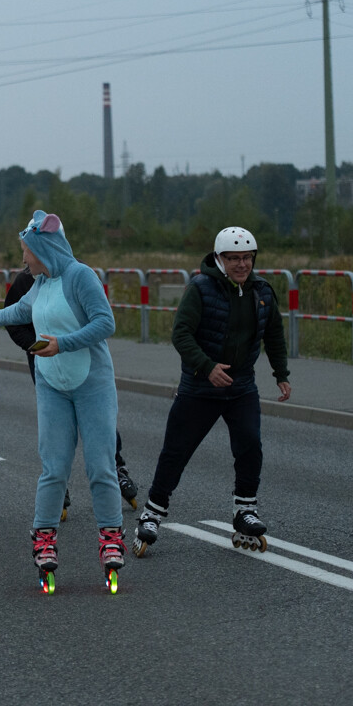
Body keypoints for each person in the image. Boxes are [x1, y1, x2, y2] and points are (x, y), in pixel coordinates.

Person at [0, 210, 123, 592]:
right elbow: (23, 311)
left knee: (101, 466)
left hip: (92, 383)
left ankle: (110, 538)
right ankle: (44, 539)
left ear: (44, 248)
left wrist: (61, 343)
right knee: (53, 468)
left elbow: (106, 323)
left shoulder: (79, 276)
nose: (23, 259)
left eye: (26, 252)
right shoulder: (41, 281)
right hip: (51, 383)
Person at [132, 226, 291, 557]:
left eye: (247, 258)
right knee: (176, 452)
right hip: (200, 388)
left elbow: (273, 334)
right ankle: (152, 514)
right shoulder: (201, 289)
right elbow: (181, 334)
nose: (242, 264)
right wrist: (208, 367)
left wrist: (281, 373)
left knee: (250, 446)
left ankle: (245, 511)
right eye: (234, 258)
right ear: (219, 259)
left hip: (241, 386)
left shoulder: (261, 292)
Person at [3, 267, 139, 519]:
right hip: (46, 361)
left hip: (82, 359)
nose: (25, 256)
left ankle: (117, 467)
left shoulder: (77, 274)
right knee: (57, 425)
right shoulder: (25, 280)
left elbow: (99, 318)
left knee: (99, 421)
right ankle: (59, 481)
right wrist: (33, 345)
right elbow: (14, 318)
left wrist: (74, 339)